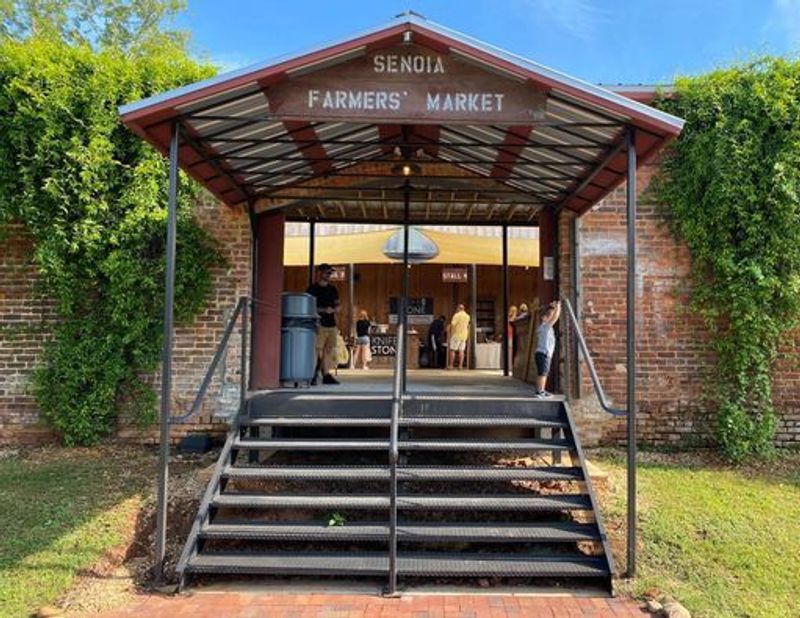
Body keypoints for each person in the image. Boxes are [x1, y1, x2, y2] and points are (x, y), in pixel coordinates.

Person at [306, 263, 340, 385]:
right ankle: (312, 373)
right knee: (316, 349)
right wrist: (324, 310)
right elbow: (309, 307)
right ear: (319, 273)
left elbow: (338, 304)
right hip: (318, 322)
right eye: (327, 272)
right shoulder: (313, 289)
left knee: (329, 349)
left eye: (330, 273)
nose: (329, 275)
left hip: (331, 323)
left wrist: (336, 309)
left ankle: (326, 374)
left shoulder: (333, 289)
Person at [534, 300, 561, 398]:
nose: (551, 317)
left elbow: (553, 316)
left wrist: (553, 308)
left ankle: (540, 390)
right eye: (549, 316)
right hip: (544, 354)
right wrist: (558, 307)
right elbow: (555, 317)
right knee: (543, 374)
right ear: (543, 318)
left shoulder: (543, 327)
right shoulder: (546, 326)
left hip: (541, 353)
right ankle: (540, 392)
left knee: (542, 373)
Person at [447, 304, 471, 370]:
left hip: (456, 335)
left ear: (458, 308)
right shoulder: (467, 316)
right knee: (461, 351)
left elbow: (452, 324)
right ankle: (460, 366)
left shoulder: (456, 315)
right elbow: (468, 325)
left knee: (452, 350)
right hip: (464, 335)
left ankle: (451, 365)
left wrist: (448, 329)